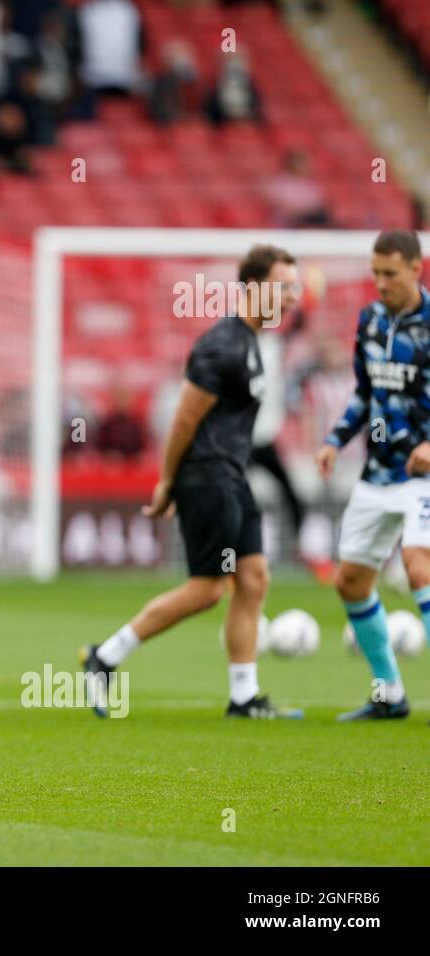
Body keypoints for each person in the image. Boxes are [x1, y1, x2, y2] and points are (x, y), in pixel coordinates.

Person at [81, 245, 302, 718]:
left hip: (233, 475)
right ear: (255, 287)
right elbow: (183, 421)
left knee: (255, 577)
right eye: (283, 288)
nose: (291, 297)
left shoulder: (251, 344)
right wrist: (167, 481)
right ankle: (105, 656)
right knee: (207, 589)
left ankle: (244, 697)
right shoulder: (221, 346)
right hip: (207, 475)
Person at [315, 230, 430, 720]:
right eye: (375, 273)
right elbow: (365, 393)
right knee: (352, 580)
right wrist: (334, 440)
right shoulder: (371, 319)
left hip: (422, 473)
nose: (380, 282)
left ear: (416, 269)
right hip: (378, 470)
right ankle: (390, 694)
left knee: (418, 563)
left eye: (390, 273)